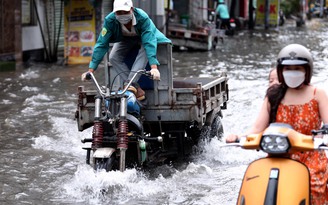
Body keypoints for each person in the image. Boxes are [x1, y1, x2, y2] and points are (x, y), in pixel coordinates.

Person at [226, 44, 328, 204]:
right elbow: (257, 129)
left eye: (297, 68)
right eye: (288, 68)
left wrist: (323, 136)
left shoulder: (318, 94)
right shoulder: (273, 95)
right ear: (281, 71)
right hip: (277, 157)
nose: (292, 72)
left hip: (311, 159)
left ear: (307, 70)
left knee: (314, 190)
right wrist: (238, 137)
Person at [81, 0, 171, 101]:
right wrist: (90, 70)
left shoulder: (142, 17)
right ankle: (134, 86)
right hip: (125, 39)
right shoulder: (110, 20)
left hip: (144, 38)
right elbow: (101, 44)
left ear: (131, 10)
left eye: (125, 12)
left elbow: (149, 42)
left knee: (145, 50)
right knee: (113, 57)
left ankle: (130, 84)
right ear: (115, 13)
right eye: (119, 13)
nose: (123, 15)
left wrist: (154, 67)